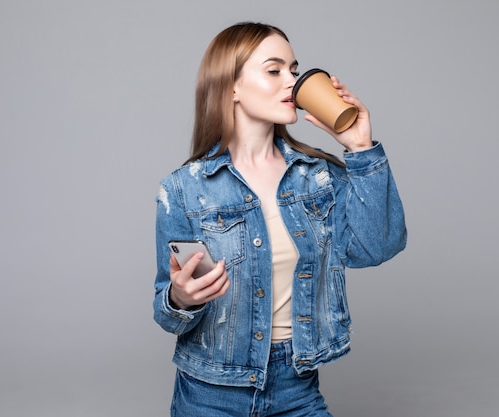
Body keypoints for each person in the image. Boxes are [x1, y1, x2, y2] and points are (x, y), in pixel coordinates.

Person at [153, 21, 407, 417]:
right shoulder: (184, 188)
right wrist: (180, 298)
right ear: (231, 87)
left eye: (293, 69)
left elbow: (377, 246)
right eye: (274, 70)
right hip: (210, 391)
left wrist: (361, 148)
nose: (292, 81)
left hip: (297, 387)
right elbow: (166, 312)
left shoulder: (319, 177)